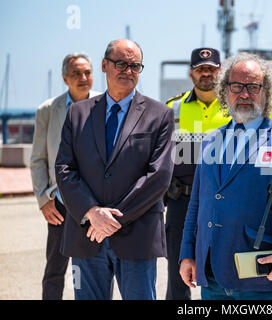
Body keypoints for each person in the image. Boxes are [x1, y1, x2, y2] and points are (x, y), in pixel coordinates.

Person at [55, 39, 174, 300]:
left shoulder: (160, 115)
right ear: (104, 65)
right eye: (121, 63)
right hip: (87, 234)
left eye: (135, 66)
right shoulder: (77, 114)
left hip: (137, 236)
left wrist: (113, 219)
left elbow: (159, 177)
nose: (128, 71)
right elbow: (65, 168)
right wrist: (92, 212)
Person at [179, 52, 272, 300]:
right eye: (237, 86)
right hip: (211, 273)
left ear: (266, 92)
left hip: (259, 275)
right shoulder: (209, 140)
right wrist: (188, 253)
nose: (245, 94)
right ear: (225, 91)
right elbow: (197, 202)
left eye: (253, 87)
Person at [30, 53, 100, 300]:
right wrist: (43, 199)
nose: (83, 78)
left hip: (95, 202)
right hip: (59, 203)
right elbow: (38, 158)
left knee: (96, 269)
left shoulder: (105, 104)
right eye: (76, 74)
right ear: (64, 78)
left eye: (87, 72)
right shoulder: (48, 111)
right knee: (55, 269)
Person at [164, 47, 230, 300]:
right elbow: (158, 157)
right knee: (177, 275)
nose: (206, 74)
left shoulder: (233, 109)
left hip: (221, 202)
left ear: (220, 72)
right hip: (182, 201)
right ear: (191, 73)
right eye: (201, 69)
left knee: (219, 270)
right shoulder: (172, 108)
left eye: (211, 69)